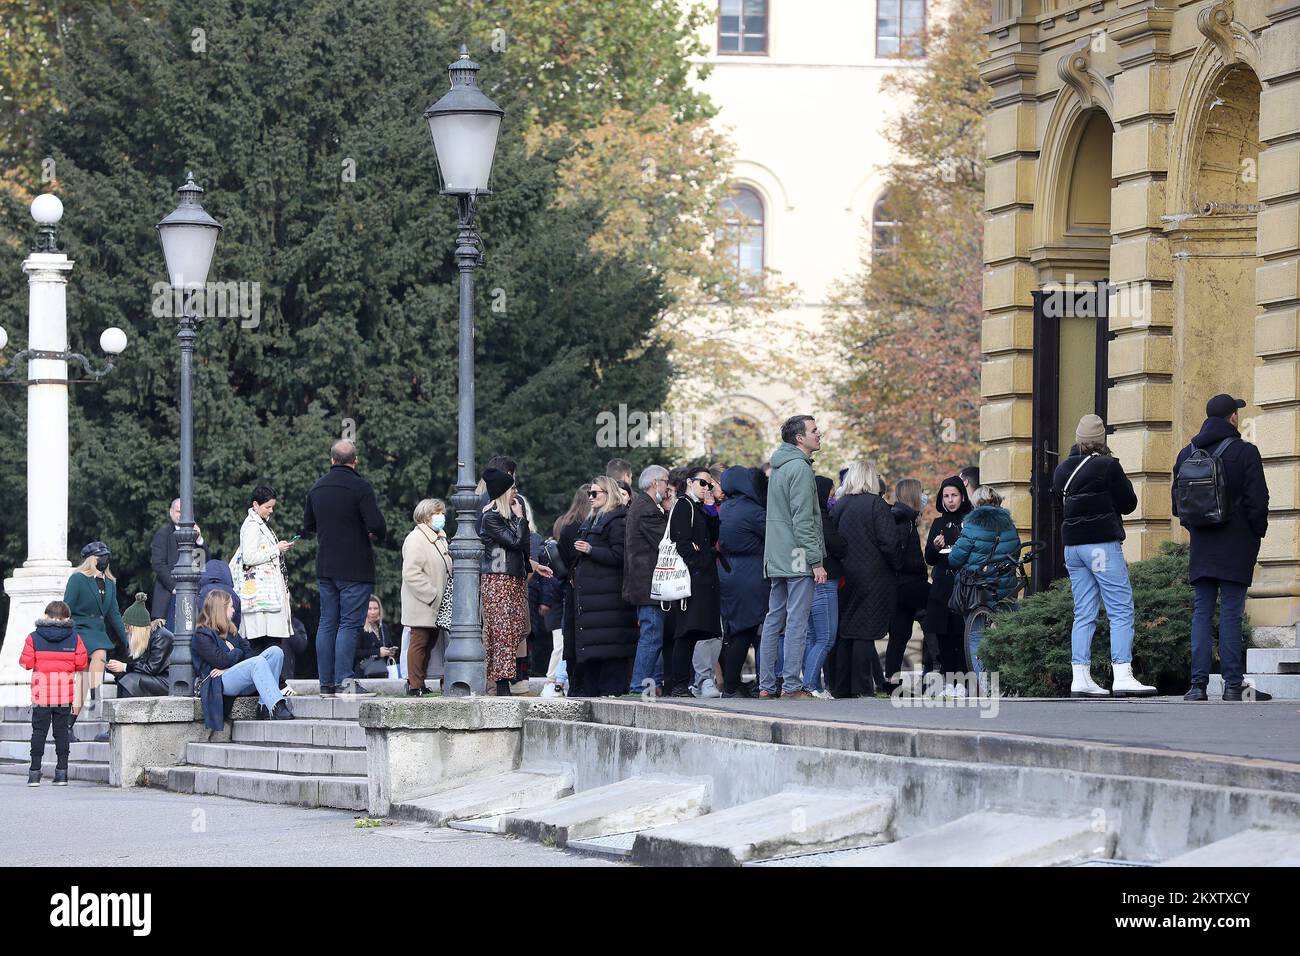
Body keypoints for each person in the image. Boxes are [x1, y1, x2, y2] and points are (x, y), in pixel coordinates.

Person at [1174, 394, 1271, 702]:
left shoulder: (1186, 453)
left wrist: (1196, 528)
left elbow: (1179, 506)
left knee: (1202, 612)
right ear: (1233, 418)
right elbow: (1259, 501)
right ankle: (1233, 686)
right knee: (1231, 611)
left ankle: (1197, 686)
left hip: (1202, 543)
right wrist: (1257, 533)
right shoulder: (1245, 452)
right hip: (1237, 542)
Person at [1053, 414, 1154, 698]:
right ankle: (1122, 674)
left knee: (1083, 611)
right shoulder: (1107, 466)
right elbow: (1129, 503)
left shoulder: (1062, 469)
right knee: (1120, 608)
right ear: (1101, 440)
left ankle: (1080, 677)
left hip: (1072, 547)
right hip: (1100, 546)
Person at [302, 438, 386, 698]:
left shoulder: (316, 488)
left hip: (325, 565)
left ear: (332, 460)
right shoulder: (360, 487)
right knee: (349, 624)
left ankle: (326, 683)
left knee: (327, 622)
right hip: (355, 567)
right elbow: (377, 525)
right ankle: (345, 681)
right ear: (355, 461)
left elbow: (308, 526)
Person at [759, 415, 826, 700]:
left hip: (777, 554)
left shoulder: (779, 467)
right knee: (797, 621)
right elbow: (803, 521)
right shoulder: (799, 468)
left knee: (774, 619)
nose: (818, 433)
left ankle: (765, 686)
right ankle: (790, 686)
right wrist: (816, 561)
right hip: (798, 555)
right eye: (813, 430)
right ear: (800, 437)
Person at [829, 461, 899, 698]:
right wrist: (896, 565)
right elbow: (889, 542)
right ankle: (861, 687)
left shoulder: (840, 505)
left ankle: (841, 687)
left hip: (845, 575)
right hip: (874, 575)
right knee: (864, 631)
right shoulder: (877, 505)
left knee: (846, 631)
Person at [947, 485, 1021, 684]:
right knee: (1009, 632)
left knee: (975, 635)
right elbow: (1015, 554)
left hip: (977, 589)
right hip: (1004, 588)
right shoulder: (1010, 526)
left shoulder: (971, 526)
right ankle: (1010, 677)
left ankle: (983, 682)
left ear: (976, 504)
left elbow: (954, 559)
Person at [572, 476, 636, 695]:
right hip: (593, 604)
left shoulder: (618, 521)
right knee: (594, 659)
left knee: (611, 659)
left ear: (608, 494)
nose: (590, 498)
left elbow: (620, 556)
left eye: (595, 493)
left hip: (609, 603)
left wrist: (591, 550)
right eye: (589, 493)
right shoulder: (592, 521)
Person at [193, 590, 293, 728]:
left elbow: (249, 655)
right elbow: (220, 661)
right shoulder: (202, 635)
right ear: (221, 609)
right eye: (231, 607)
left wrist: (232, 659)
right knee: (257, 662)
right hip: (217, 683)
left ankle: (264, 706)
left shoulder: (232, 631)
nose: (234, 611)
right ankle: (277, 706)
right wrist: (236, 654)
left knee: (276, 652)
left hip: (234, 675)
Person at [666, 467, 724, 696]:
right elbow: (683, 544)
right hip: (691, 579)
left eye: (710, 485)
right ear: (690, 482)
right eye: (702, 483)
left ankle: (682, 682)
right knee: (686, 631)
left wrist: (711, 508)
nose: (706, 488)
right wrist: (701, 560)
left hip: (701, 579)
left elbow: (711, 537)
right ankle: (679, 683)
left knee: (693, 632)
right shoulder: (683, 505)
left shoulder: (698, 507)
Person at [19, 600, 87, 787]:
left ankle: (34, 773)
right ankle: (61, 774)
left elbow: (26, 664)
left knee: (39, 732)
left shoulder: (33, 637)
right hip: (64, 695)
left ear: (46, 615)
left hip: (41, 694)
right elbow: (81, 664)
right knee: (62, 733)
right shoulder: (75, 638)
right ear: (67, 617)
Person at [480, 467, 533, 696]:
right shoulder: (490, 517)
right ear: (503, 491)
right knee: (501, 629)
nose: (516, 492)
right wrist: (522, 520)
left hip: (514, 579)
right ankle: (501, 683)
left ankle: (505, 679)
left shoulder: (510, 517)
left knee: (514, 629)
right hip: (498, 579)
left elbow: (524, 545)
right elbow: (515, 542)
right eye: (512, 488)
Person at [718, 466, 769, 697]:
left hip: (728, 572)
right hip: (751, 574)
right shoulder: (753, 510)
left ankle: (732, 683)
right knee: (748, 631)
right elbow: (773, 535)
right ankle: (735, 685)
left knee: (736, 630)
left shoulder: (726, 508)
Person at [236, 485, 295, 684]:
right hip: (261, 597)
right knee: (265, 642)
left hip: (263, 596)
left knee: (267, 641)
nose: (271, 511)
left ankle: (273, 682)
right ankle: (274, 683)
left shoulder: (260, 523)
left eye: (272, 507)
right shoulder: (252, 525)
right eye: (268, 507)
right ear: (255, 504)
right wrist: (276, 549)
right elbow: (249, 556)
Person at [63, 542, 127, 712]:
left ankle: (76, 717)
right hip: (79, 631)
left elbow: (114, 615)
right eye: (100, 556)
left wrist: (128, 641)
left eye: (106, 556)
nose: (104, 560)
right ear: (91, 559)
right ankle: (94, 701)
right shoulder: (78, 579)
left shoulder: (110, 584)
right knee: (98, 655)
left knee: (86, 675)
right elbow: (66, 608)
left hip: (98, 633)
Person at [624, 465, 670, 695]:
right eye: (665, 483)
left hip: (645, 584)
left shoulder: (643, 506)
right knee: (652, 635)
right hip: (648, 584)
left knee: (655, 635)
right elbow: (665, 540)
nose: (667, 488)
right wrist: (670, 512)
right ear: (655, 483)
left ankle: (655, 684)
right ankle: (638, 686)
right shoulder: (647, 509)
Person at [924, 477, 973, 685]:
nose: (950, 500)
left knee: (961, 636)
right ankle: (948, 681)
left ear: (962, 496)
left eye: (954, 495)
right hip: (942, 587)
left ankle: (962, 682)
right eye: (946, 496)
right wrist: (935, 546)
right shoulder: (938, 523)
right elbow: (929, 558)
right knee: (943, 637)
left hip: (964, 587)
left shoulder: (970, 521)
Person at [401, 498, 451, 697]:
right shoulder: (416, 539)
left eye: (442, 513)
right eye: (436, 513)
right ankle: (414, 684)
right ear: (425, 516)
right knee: (419, 641)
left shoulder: (439, 537)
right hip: (424, 602)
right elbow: (412, 573)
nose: (441, 517)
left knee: (429, 643)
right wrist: (432, 594)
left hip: (436, 603)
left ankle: (419, 682)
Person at [803, 475, 847, 698]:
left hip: (810, 581)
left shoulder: (807, 518)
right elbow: (838, 546)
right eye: (831, 492)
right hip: (825, 581)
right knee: (826, 637)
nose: (833, 496)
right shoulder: (822, 518)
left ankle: (813, 685)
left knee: (812, 636)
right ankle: (810, 685)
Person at [885, 478, 930, 689]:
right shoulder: (903, 520)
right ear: (913, 495)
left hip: (899, 586)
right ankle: (936, 668)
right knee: (939, 612)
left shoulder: (904, 518)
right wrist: (918, 567)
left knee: (900, 633)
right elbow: (900, 555)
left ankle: (892, 680)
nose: (924, 496)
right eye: (921, 492)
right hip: (909, 583)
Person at [551, 485, 592, 697]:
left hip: (568, 585)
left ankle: (572, 682)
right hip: (580, 587)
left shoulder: (566, 525)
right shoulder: (583, 526)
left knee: (570, 637)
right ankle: (579, 683)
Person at [149, 497, 207, 620]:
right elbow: (158, 565)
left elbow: (201, 566)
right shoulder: (162, 534)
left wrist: (199, 540)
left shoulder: (194, 535)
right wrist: (175, 587)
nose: (181, 515)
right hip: (169, 596)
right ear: (171, 512)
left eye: (184, 511)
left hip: (193, 597)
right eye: (178, 511)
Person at [108, 593, 173, 700]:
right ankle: (120, 713)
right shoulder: (149, 637)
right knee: (123, 677)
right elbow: (140, 665)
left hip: (168, 681)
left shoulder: (161, 637)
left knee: (130, 680)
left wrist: (124, 667)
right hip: (158, 678)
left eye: (128, 627)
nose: (126, 630)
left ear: (137, 627)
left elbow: (152, 668)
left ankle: (128, 714)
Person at [354, 595, 399, 678]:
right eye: (369, 608)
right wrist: (377, 652)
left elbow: (388, 644)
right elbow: (355, 653)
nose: (373, 612)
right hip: (365, 672)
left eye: (375, 608)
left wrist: (390, 651)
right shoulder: (359, 628)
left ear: (380, 610)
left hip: (383, 670)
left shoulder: (383, 627)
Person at [198, 559, 242, 632]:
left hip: (206, 631)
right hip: (227, 633)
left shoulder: (202, 593)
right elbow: (237, 619)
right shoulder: (234, 595)